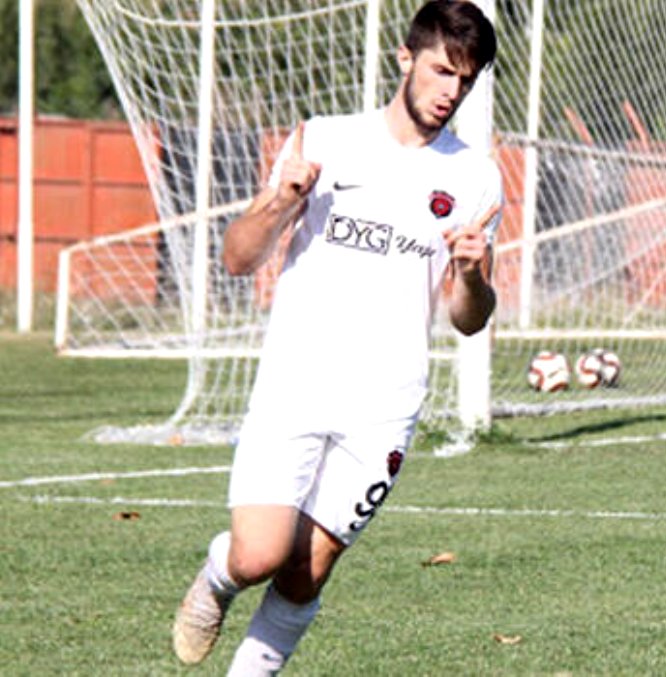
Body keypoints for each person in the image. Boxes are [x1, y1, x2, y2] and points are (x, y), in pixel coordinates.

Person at [170, 2, 500, 673]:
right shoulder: (324, 140)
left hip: (386, 403)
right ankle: (219, 574)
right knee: (259, 556)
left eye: (465, 81)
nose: (451, 91)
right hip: (295, 383)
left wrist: (470, 274)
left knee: (305, 571)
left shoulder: (475, 177)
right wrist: (280, 200)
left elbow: (470, 317)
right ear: (406, 57)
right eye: (442, 71)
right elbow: (236, 258)